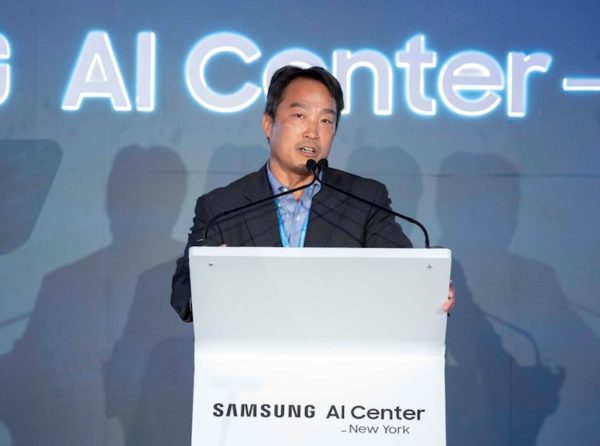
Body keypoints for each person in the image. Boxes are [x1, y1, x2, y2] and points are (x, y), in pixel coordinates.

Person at [171, 65, 455, 322]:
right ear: (268, 124)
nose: (313, 133)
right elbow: (183, 292)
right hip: (252, 356)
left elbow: (403, 273)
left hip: (341, 354)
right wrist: (209, 281)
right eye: (299, 115)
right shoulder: (221, 207)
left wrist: (430, 285)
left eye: (326, 121)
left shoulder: (366, 199)